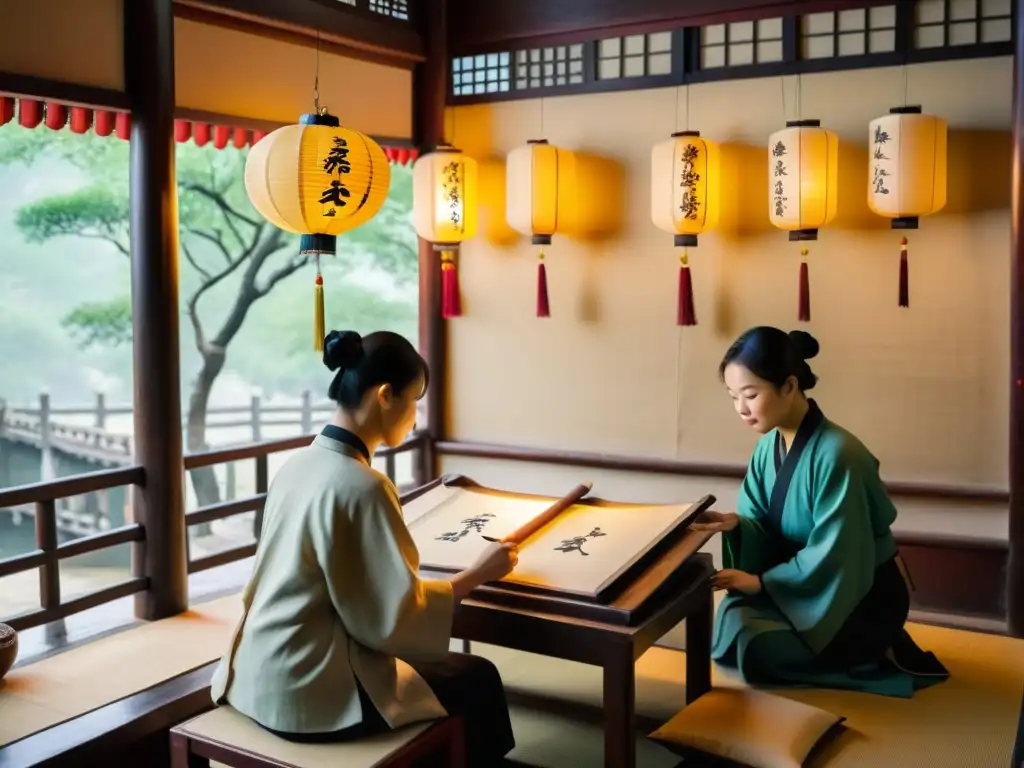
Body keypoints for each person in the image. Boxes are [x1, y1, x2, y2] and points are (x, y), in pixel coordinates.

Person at [211, 329, 518, 764]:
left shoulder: (298, 465)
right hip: (309, 689)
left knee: (446, 677)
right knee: (477, 677)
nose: (415, 416)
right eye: (415, 400)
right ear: (386, 395)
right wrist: (477, 575)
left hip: (256, 673)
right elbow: (391, 618)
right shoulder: (363, 485)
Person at [693, 326, 949, 697]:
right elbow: (766, 526)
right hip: (803, 587)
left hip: (858, 597)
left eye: (750, 395)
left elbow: (841, 554)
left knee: (757, 645)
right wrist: (737, 526)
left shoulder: (840, 454)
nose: (741, 409)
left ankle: (875, 650)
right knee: (732, 618)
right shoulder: (769, 449)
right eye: (734, 397)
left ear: (790, 386)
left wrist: (764, 583)